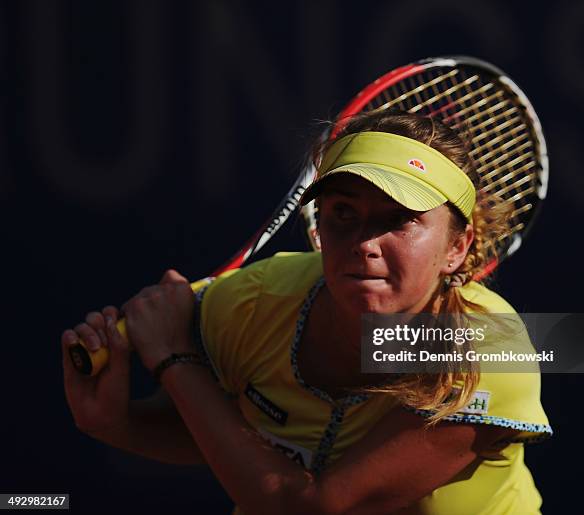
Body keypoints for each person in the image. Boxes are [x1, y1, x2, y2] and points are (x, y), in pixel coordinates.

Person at [61, 111, 552, 514]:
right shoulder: (251, 303)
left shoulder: (495, 348)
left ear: (457, 247)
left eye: (399, 220)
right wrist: (115, 422)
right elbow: (226, 443)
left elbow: (313, 508)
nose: (364, 244)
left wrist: (173, 358)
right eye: (343, 213)